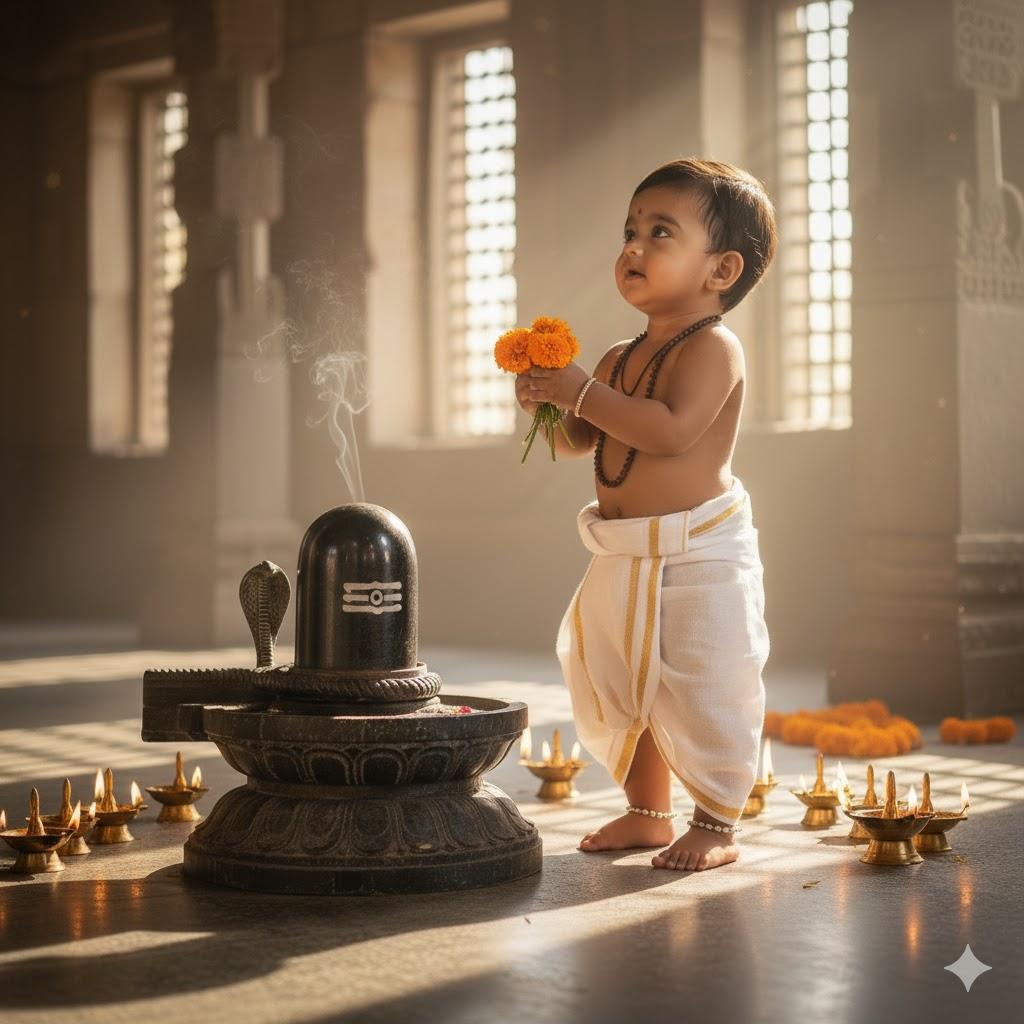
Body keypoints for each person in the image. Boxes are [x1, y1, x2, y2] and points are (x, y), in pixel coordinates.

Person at [516, 158, 777, 871]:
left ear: (720, 270)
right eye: (630, 230)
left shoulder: (714, 348)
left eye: (660, 232)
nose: (633, 247)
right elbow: (581, 442)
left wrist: (581, 391)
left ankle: (719, 821)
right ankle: (647, 812)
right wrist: (549, 401)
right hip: (626, 549)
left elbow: (667, 432)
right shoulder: (618, 354)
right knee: (628, 681)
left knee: (701, 683)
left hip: (699, 554)